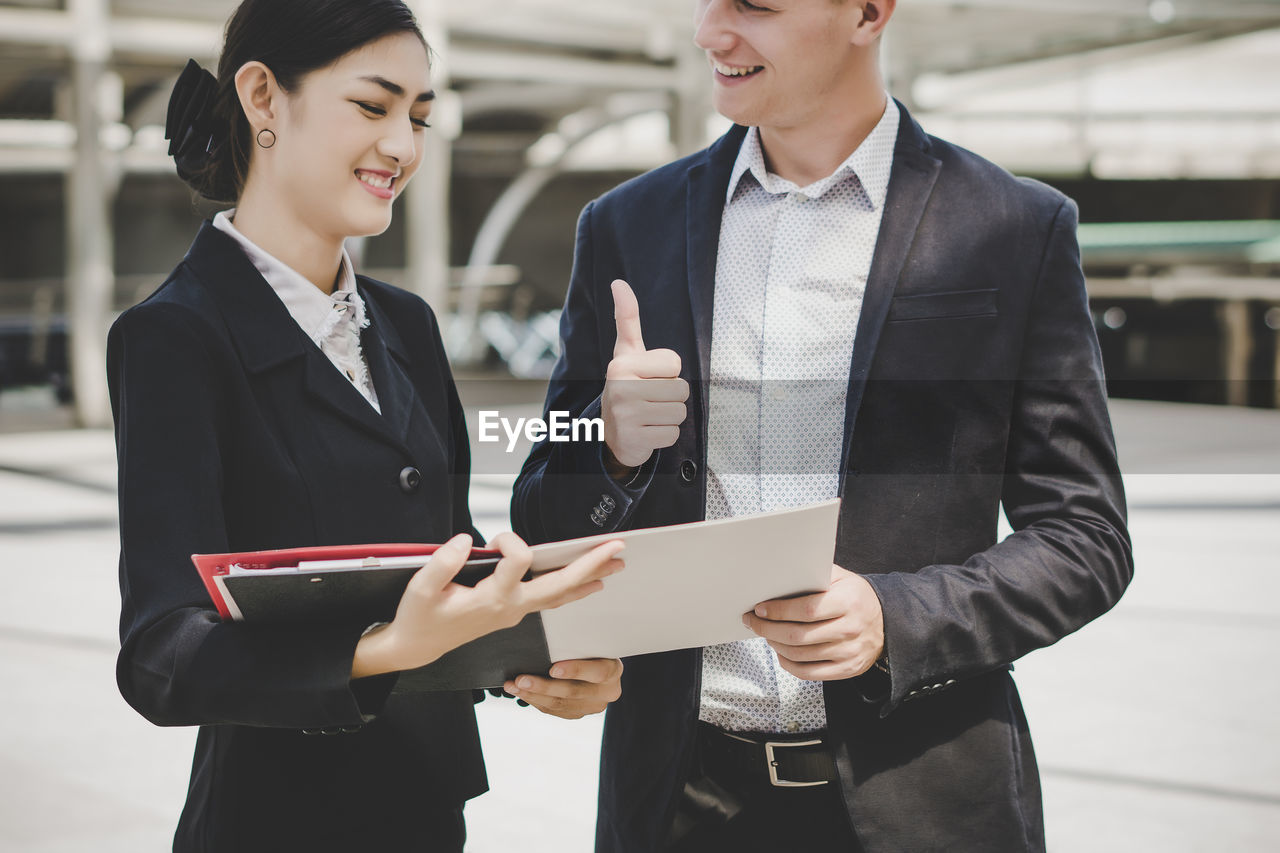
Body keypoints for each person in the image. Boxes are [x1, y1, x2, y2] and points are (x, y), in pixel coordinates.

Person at [511, 0, 1134, 850]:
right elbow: (540, 512)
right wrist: (611, 446)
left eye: (753, 6)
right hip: (677, 802)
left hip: (925, 802)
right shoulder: (626, 227)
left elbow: (1086, 535)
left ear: (870, 12)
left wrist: (896, 615)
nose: (709, 33)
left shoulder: (1012, 228)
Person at [107, 1, 625, 850]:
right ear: (263, 97)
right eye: (374, 106)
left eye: (419, 117)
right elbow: (161, 655)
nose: (404, 147)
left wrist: (539, 656)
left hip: (429, 812)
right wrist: (376, 650)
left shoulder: (408, 324)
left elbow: (442, 561)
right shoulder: (176, 337)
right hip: (277, 822)